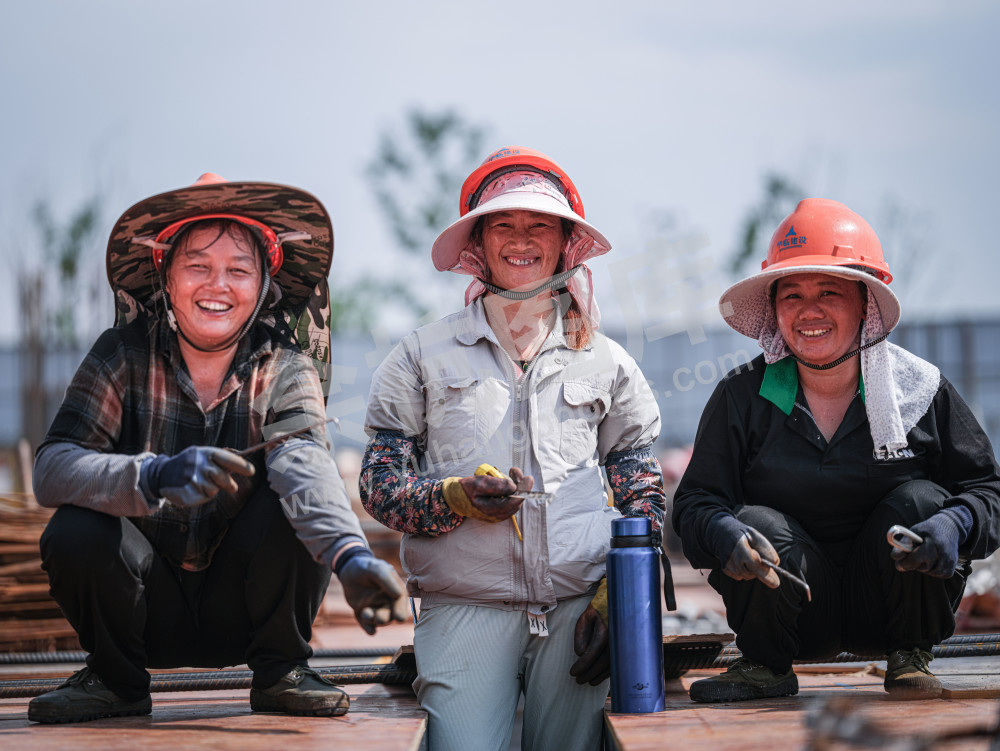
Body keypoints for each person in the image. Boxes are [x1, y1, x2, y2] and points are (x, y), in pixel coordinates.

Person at [27, 174, 408, 724]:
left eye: (238, 269)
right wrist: (154, 476)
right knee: (74, 527)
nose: (217, 284)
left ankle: (283, 671)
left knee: (294, 499)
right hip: (142, 608)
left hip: (246, 612)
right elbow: (53, 468)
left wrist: (352, 557)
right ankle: (115, 680)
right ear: (165, 275)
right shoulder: (121, 355)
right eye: (197, 265)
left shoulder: (285, 367)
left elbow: (307, 468)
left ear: (264, 285)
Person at [360, 146, 667, 750]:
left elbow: (644, 495)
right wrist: (455, 497)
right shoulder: (422, 355)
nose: (521, 238)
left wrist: (620, 599)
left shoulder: (606, 361)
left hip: (579, 610)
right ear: (478, 243)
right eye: (503, 223)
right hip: (464, 608)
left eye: (539, 225)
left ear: (564, 244)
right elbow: (379, 486)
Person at [672, 198, 1000, 702]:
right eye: (792, 295)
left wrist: (956, 524)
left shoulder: (921, 390)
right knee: (753, 522)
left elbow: (987, 491)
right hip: (794, 615)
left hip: (893, 614)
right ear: (775, 309)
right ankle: (764, 666)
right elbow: (696, 503)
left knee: (922, 503)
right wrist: (722, 532)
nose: (810, 311)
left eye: (831, 292)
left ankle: (911, 659)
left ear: (866, 304)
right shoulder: (741, 397)